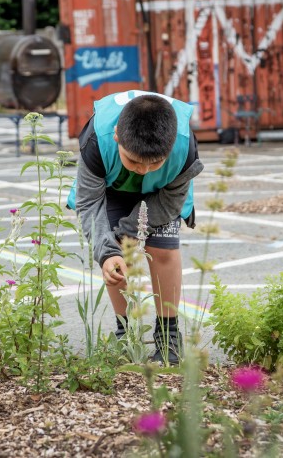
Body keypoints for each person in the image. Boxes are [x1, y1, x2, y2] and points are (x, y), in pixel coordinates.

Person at [67, 90, 204, 365]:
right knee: (115, 254)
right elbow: (89, 203)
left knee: (163, 251)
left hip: (164, 192)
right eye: (134, 161)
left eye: (155, 163)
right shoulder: (97, 141)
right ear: (117, 135)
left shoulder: (183, 147)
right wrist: (108, 250)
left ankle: (168, 334)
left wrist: (130, 228)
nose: (144, 170)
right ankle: (125, 332)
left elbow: (169, 203)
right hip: (113, 187)